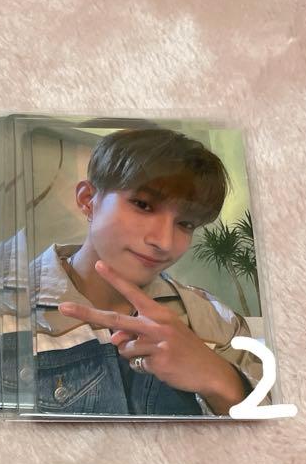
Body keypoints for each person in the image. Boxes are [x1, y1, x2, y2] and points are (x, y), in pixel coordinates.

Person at [31, 126, 266, 417]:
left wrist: (222, 381)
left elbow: (280, 437)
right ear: (88, 199)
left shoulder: (217, 321)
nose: (164, 242)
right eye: (143, 205)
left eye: (186, 224)